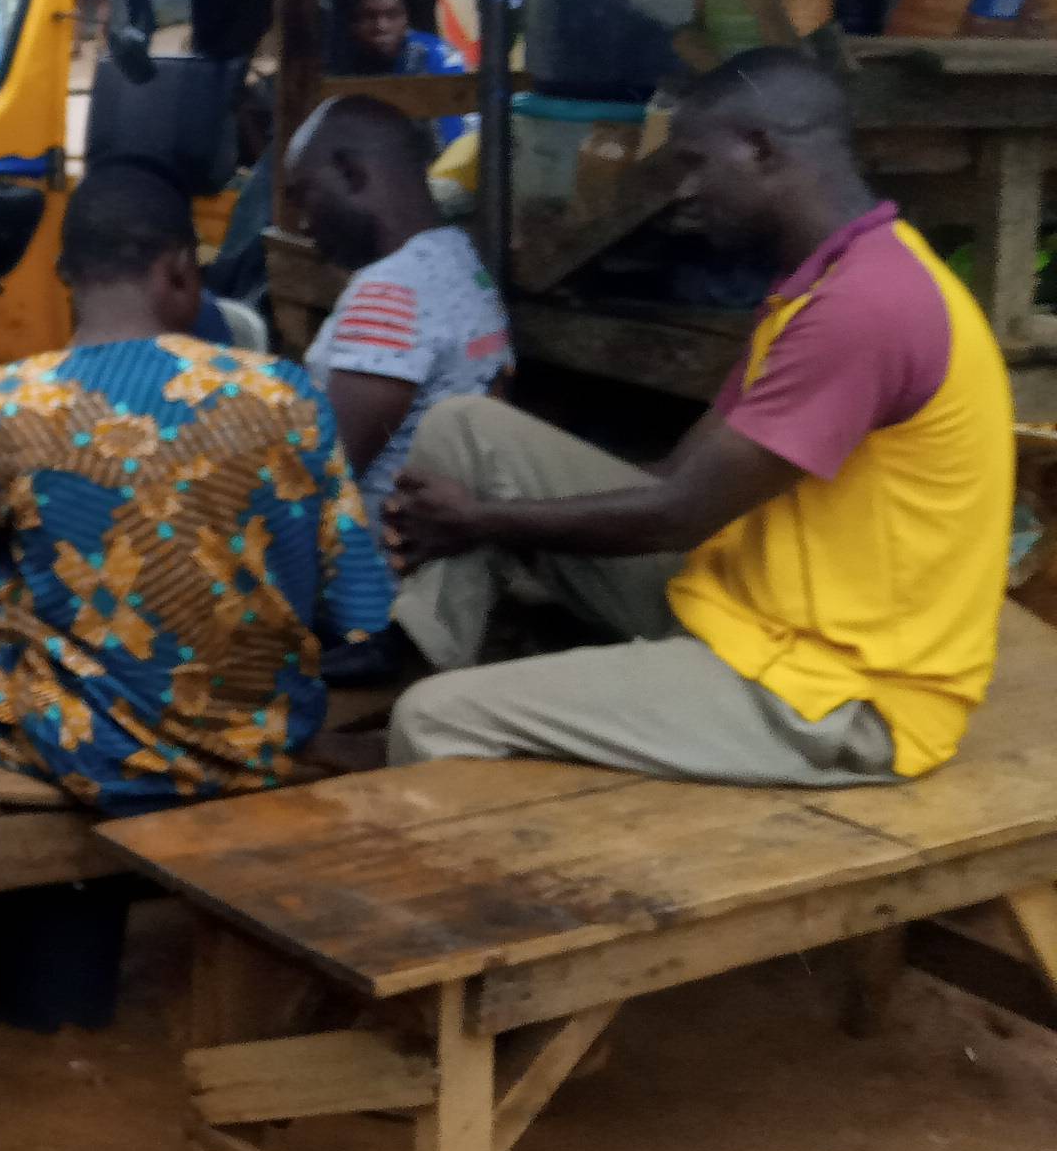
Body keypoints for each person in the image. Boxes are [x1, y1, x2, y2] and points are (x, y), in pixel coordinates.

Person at [383, 48, 1013, 785]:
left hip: (834, 692)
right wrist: (494, 519)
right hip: (743, 607)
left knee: (435, 720)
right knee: (464, 430)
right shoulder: (825, 279)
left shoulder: (865, 308)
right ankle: (437, 670)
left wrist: (484, 521)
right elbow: (677, 475)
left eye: (695, 163)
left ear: (762, 150)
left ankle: (439, 754)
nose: (683, 190)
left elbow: (679, 512)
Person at [0, 163, 394, 811]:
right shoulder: (290, 396)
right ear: (181, 269)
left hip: (90, 748)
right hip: (261, 740)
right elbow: (359, 611)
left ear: (64, 277)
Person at [285, 96, 514, 518]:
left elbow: (323, 475)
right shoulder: (460, 258)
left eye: (304, 196)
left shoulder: (390, 291)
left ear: (351, 173)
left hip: (371, 548)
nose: (303, 223)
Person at [328, 0, 471, 146]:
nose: (381, 26)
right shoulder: (337, 61)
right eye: (369, 16)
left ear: (406, 17)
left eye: (392, 15)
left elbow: (453, 144)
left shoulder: (434, 56)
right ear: (352, 21)